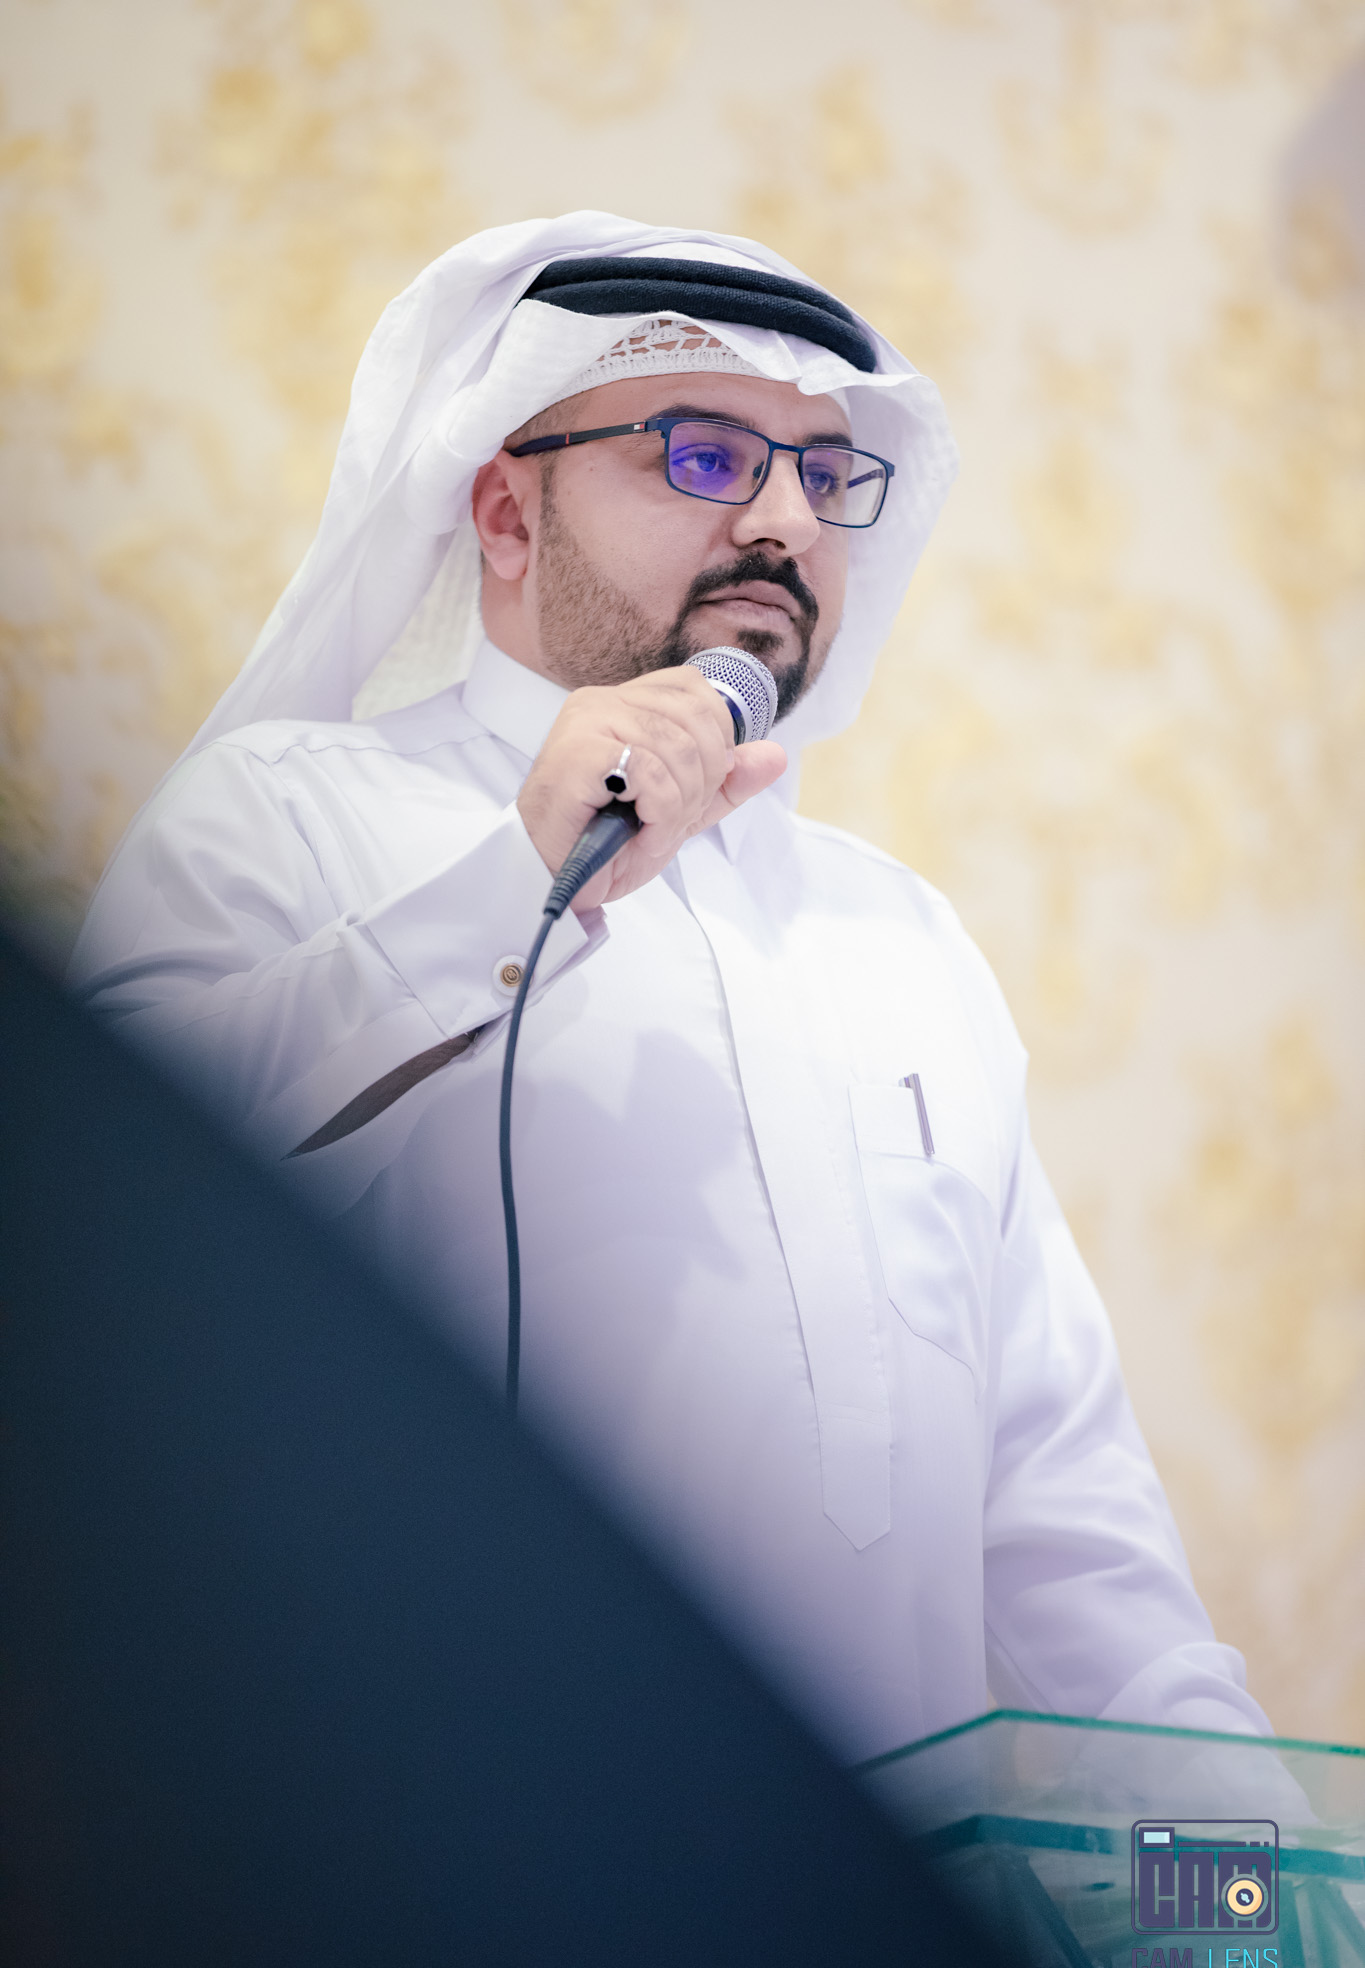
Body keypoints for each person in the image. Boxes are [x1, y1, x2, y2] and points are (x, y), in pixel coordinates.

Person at [70, 214, 1269, 1764]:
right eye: (702, 457)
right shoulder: (287, 818)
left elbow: (1076, 1551)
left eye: (823, 473)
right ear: (505, 511)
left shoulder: (901, 940)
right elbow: (97, 1256)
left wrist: (1236, 1906)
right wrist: (517, 881)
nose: (785, 520)